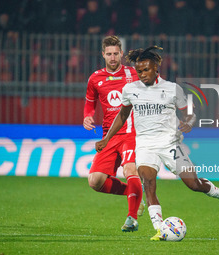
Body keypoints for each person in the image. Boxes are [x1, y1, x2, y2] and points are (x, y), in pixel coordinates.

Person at [95, 46, 219, 241]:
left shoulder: (172, 89)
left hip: (170, 144)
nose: (142, 74)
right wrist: (107, 139)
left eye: (146, 70)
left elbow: (189, 112)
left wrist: (188, 122)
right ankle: (159, 229)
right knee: (148, 182)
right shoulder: (130, 89)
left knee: (193, 184)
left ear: (156, 69)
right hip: (145, 145)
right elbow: (123, 115)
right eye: (139, 71)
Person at [83, 35, 144, 232]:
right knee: (95, 181)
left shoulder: (133, 74)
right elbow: (90, 103)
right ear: (103, 54)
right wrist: (88, 116)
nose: (112, 57)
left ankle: (132, 218)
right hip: (109, 136)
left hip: (130, 133)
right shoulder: (95, 78)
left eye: (116, 54)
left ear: (121, 54)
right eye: (108, 54)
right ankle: (133, 193)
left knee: (130, 170)